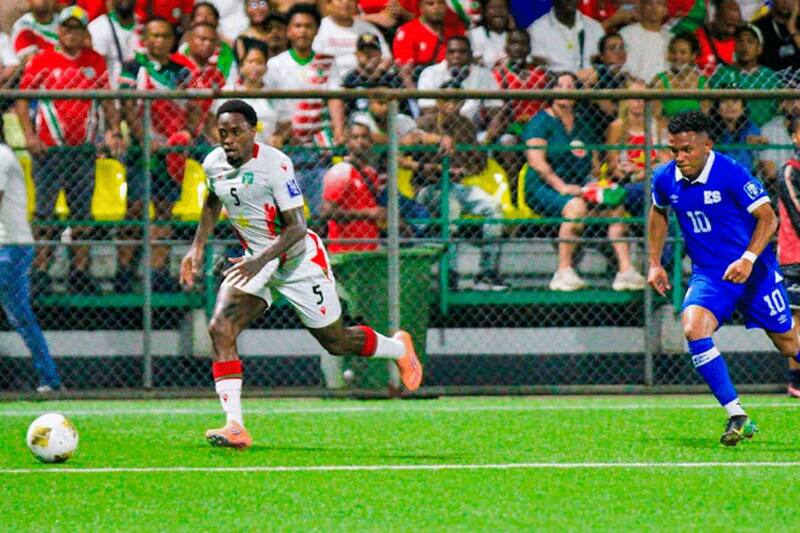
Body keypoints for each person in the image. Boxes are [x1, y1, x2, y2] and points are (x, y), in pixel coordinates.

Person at [180, 100, 422, 448]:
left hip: (297, 261)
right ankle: (234, 425)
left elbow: (296, 227)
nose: (229, 139)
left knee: (336, 341)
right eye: (223, 133)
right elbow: (214, 199)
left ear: (253, 132)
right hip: (256, 261)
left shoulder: (275, 164)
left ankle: (398, 348)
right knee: (221, 327)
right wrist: (197, 246)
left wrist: (260, 259)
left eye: (236, 132)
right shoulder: (213, 163)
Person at [647, 110, 800, 446]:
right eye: (674, 150)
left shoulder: (731, 172)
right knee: (693, 328)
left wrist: (747, 259)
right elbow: (658, 212)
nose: (679, 157)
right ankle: (737, 415)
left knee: (788, 342)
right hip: (710, 276)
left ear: (707, 146)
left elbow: (768, 218)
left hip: (754, 272)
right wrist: (654, 262)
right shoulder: (664, 177)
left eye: (687, 150)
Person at [16, 6, 123, 295]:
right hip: (49, 151)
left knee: (82, 214)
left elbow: (107, 100)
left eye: (76, 27)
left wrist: (113, 130)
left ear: (84, 31)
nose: (70, 33)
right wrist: (29, 136)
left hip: (83, 151)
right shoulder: (42, 60)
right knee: (44, 214)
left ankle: (79, 273)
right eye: (66, 27)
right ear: (59, 29)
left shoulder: (94, 60)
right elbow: (22, 99)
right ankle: (40, 272)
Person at [523, 72, 645, 292]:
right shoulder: (540, 121)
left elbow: (594, 164)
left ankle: (626, 271)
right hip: (544, 186)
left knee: (615, 207)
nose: (566, 90)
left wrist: (598, 184)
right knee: (576, 207)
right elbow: (537, 162)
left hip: (579, 185)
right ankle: (563, 272)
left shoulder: (582, 123)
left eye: (571, 86)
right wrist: (561, 187)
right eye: (560, 86)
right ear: (551, 91)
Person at [265, 4, 345, 215]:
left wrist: (338, 131)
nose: (302, 31)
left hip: (318, 147)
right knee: (288, 211)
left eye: (308, 26)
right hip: (287, 147)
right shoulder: (275, 64)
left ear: (316, 30)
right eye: (297, 26)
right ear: (289, 31)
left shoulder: (327, 62)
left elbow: (334, 98)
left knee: (322, 209)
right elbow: (270, 104)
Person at [0, 140, 61, 393]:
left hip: (11, 246)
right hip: (11, 245)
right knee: (21, 317)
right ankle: (50, 378)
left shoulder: (1, 155)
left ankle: (50, 378)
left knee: (21, 317)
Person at [321, 122, 385, 254]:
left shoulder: (371, 173)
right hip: (343, 250)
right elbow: (327, 212)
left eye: (365, 137)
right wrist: (367, 213)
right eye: (355, 137)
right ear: (347, 142)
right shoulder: (341, 171)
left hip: (369, 249)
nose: (360, 141)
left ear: (371, 142)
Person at [776, 114, 800, 397]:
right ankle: (796, 379)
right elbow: (797, 216)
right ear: (794, 137)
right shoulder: (790, 172)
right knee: (796, 318)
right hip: (795, 257)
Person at [393, 0, 464, 89]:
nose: (436, 7)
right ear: (421, 8)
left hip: (454, 84)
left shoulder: (454, 31)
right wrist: (416, 94)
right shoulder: (408, 31)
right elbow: (404, 72)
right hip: (421, 86)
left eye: (440, 3)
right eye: (430, 4)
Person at [313, 0, 391, 74]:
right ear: (328, 5)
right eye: (340, 0)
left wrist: (379, 69)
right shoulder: (319, 28)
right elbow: (315, 60)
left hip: (366, 78)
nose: (346, 2)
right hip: (330, 77)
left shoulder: (368, 28)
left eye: (351, 0)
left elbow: (386, 55)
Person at [651, 32, 709, 128]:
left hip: (694, 131)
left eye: (683, 52)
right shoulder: (660, 80)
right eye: (673, 52)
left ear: (693, 55)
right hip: (667, 132)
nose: (677, 57)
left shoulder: (702, 82)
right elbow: (656, 118)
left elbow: (704, 117)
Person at [528, 0, 605, 73]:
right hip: (553, 81)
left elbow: (605, 66)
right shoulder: (536, 30)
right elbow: (536, 67)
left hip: (592, 81)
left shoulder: (595, 28)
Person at [87, 0, 138, 88]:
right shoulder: (98, 27)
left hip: (146, 92)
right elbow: (95, 69)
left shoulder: (145, 25)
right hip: (112, 92)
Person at [618, 0, 669, 85]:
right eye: (649, 3)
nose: (654, 7)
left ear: (665, 10)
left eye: (659, 3)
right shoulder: (625, 34)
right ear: (640, 7)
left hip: (664, 89)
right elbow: (620, 68)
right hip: (631, 88)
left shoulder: (670, 37)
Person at [468, 0, 511, 69]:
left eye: (502, 7)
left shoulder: (516, 35)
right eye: (493, 7)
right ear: (484, 12)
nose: (498, 11)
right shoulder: (475, 35)